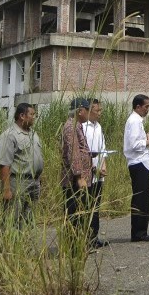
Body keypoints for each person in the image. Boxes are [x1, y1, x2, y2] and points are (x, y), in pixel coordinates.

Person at [0, 102, 43, 228]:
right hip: (18, 183)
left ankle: (24, 247)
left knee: (28, 219)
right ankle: (8, 247)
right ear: (22, 116)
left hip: (34, 183)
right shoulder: (9, 135)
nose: (34, 117)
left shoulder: (33, 134)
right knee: (13, 219)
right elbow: (4, 164)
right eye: (32, 114)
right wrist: (6, 190)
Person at [123, 94, 149, 242]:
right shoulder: (134, 121)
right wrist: (147, 141)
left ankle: (141, 231)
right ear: (138, 107)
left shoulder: (137, 121)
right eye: (146, 106)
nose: (147, 109)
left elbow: (136, 140)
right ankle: (138, 232)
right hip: (138, 162)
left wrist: (144, 138)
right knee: (140, 198)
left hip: (141, 162)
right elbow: (133, 145)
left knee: (143, 198)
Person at [61, 97, 94, 241]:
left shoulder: (77, 125)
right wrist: (79, 176)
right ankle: (74, 247)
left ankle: (81, 243)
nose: (88, 113)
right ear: (80, 111)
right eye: (87, 110)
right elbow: (73, 153)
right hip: (73, 181)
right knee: (74, 214)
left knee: (82, 213)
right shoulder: (71, 127)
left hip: (80, 179)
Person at [83, 98, 109, 248]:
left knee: (96, 205)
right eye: (97, 110)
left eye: (100, 110)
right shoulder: (82, 127)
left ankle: (94, 236)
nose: (100, 113)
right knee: (87, 205)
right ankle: (86, 238)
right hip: (89, 173)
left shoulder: (98, 126)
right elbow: (83, 152)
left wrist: (103, 164)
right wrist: (94, 168)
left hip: (100, 172)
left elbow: (103, 148)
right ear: (88, 110)